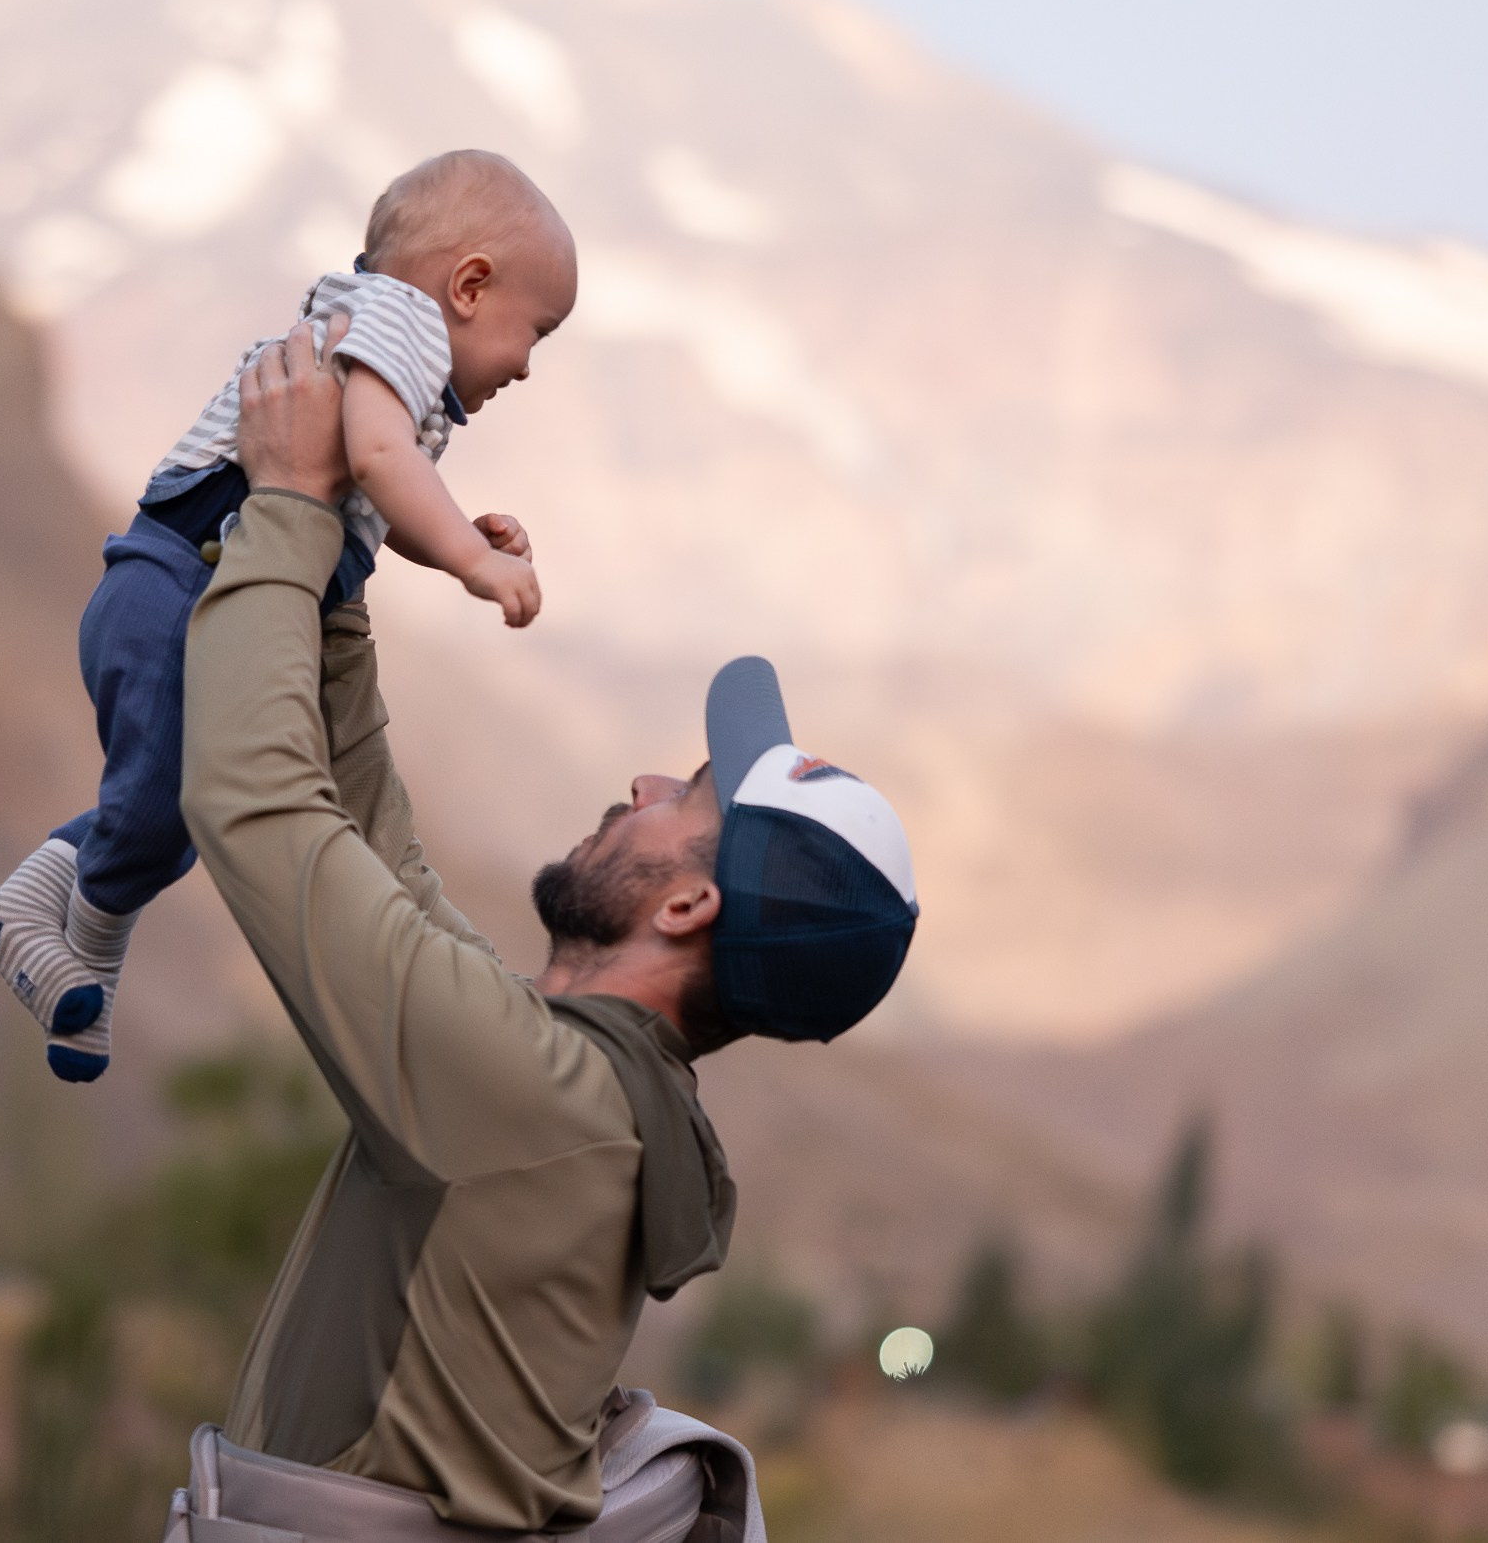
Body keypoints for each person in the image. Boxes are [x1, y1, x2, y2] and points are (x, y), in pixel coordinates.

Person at [157, 324, 919, 1539]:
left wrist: (289, 505)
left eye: (685, 795)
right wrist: (339, 583)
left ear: (687, 906)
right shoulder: (583, 1087)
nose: (642, 783)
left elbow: (255, 802)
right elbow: (380, 861)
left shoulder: (537, 1097)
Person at [0, 150, 572, 1083]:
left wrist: (455, 531)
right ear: (468, 286)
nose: (528, 367)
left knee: (176, 804)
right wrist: (471, 557)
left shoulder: (388, 351)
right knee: (171, 806)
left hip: (179, 587)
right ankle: (59, 935)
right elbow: (376, 459)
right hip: (177, 586)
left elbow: (369, 501)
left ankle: (65, 951)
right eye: (534, 332)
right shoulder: (404, 324)